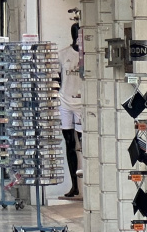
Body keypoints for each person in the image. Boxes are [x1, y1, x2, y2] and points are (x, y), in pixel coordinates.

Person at [58, 24, 84, 199]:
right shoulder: (62, 54)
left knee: (83, 141)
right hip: (65, 101)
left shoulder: (86, 56)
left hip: (82, 102)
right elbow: (57, 78)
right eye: (75, 33)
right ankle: (74, 185)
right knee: (69, 143)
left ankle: (88, 183)